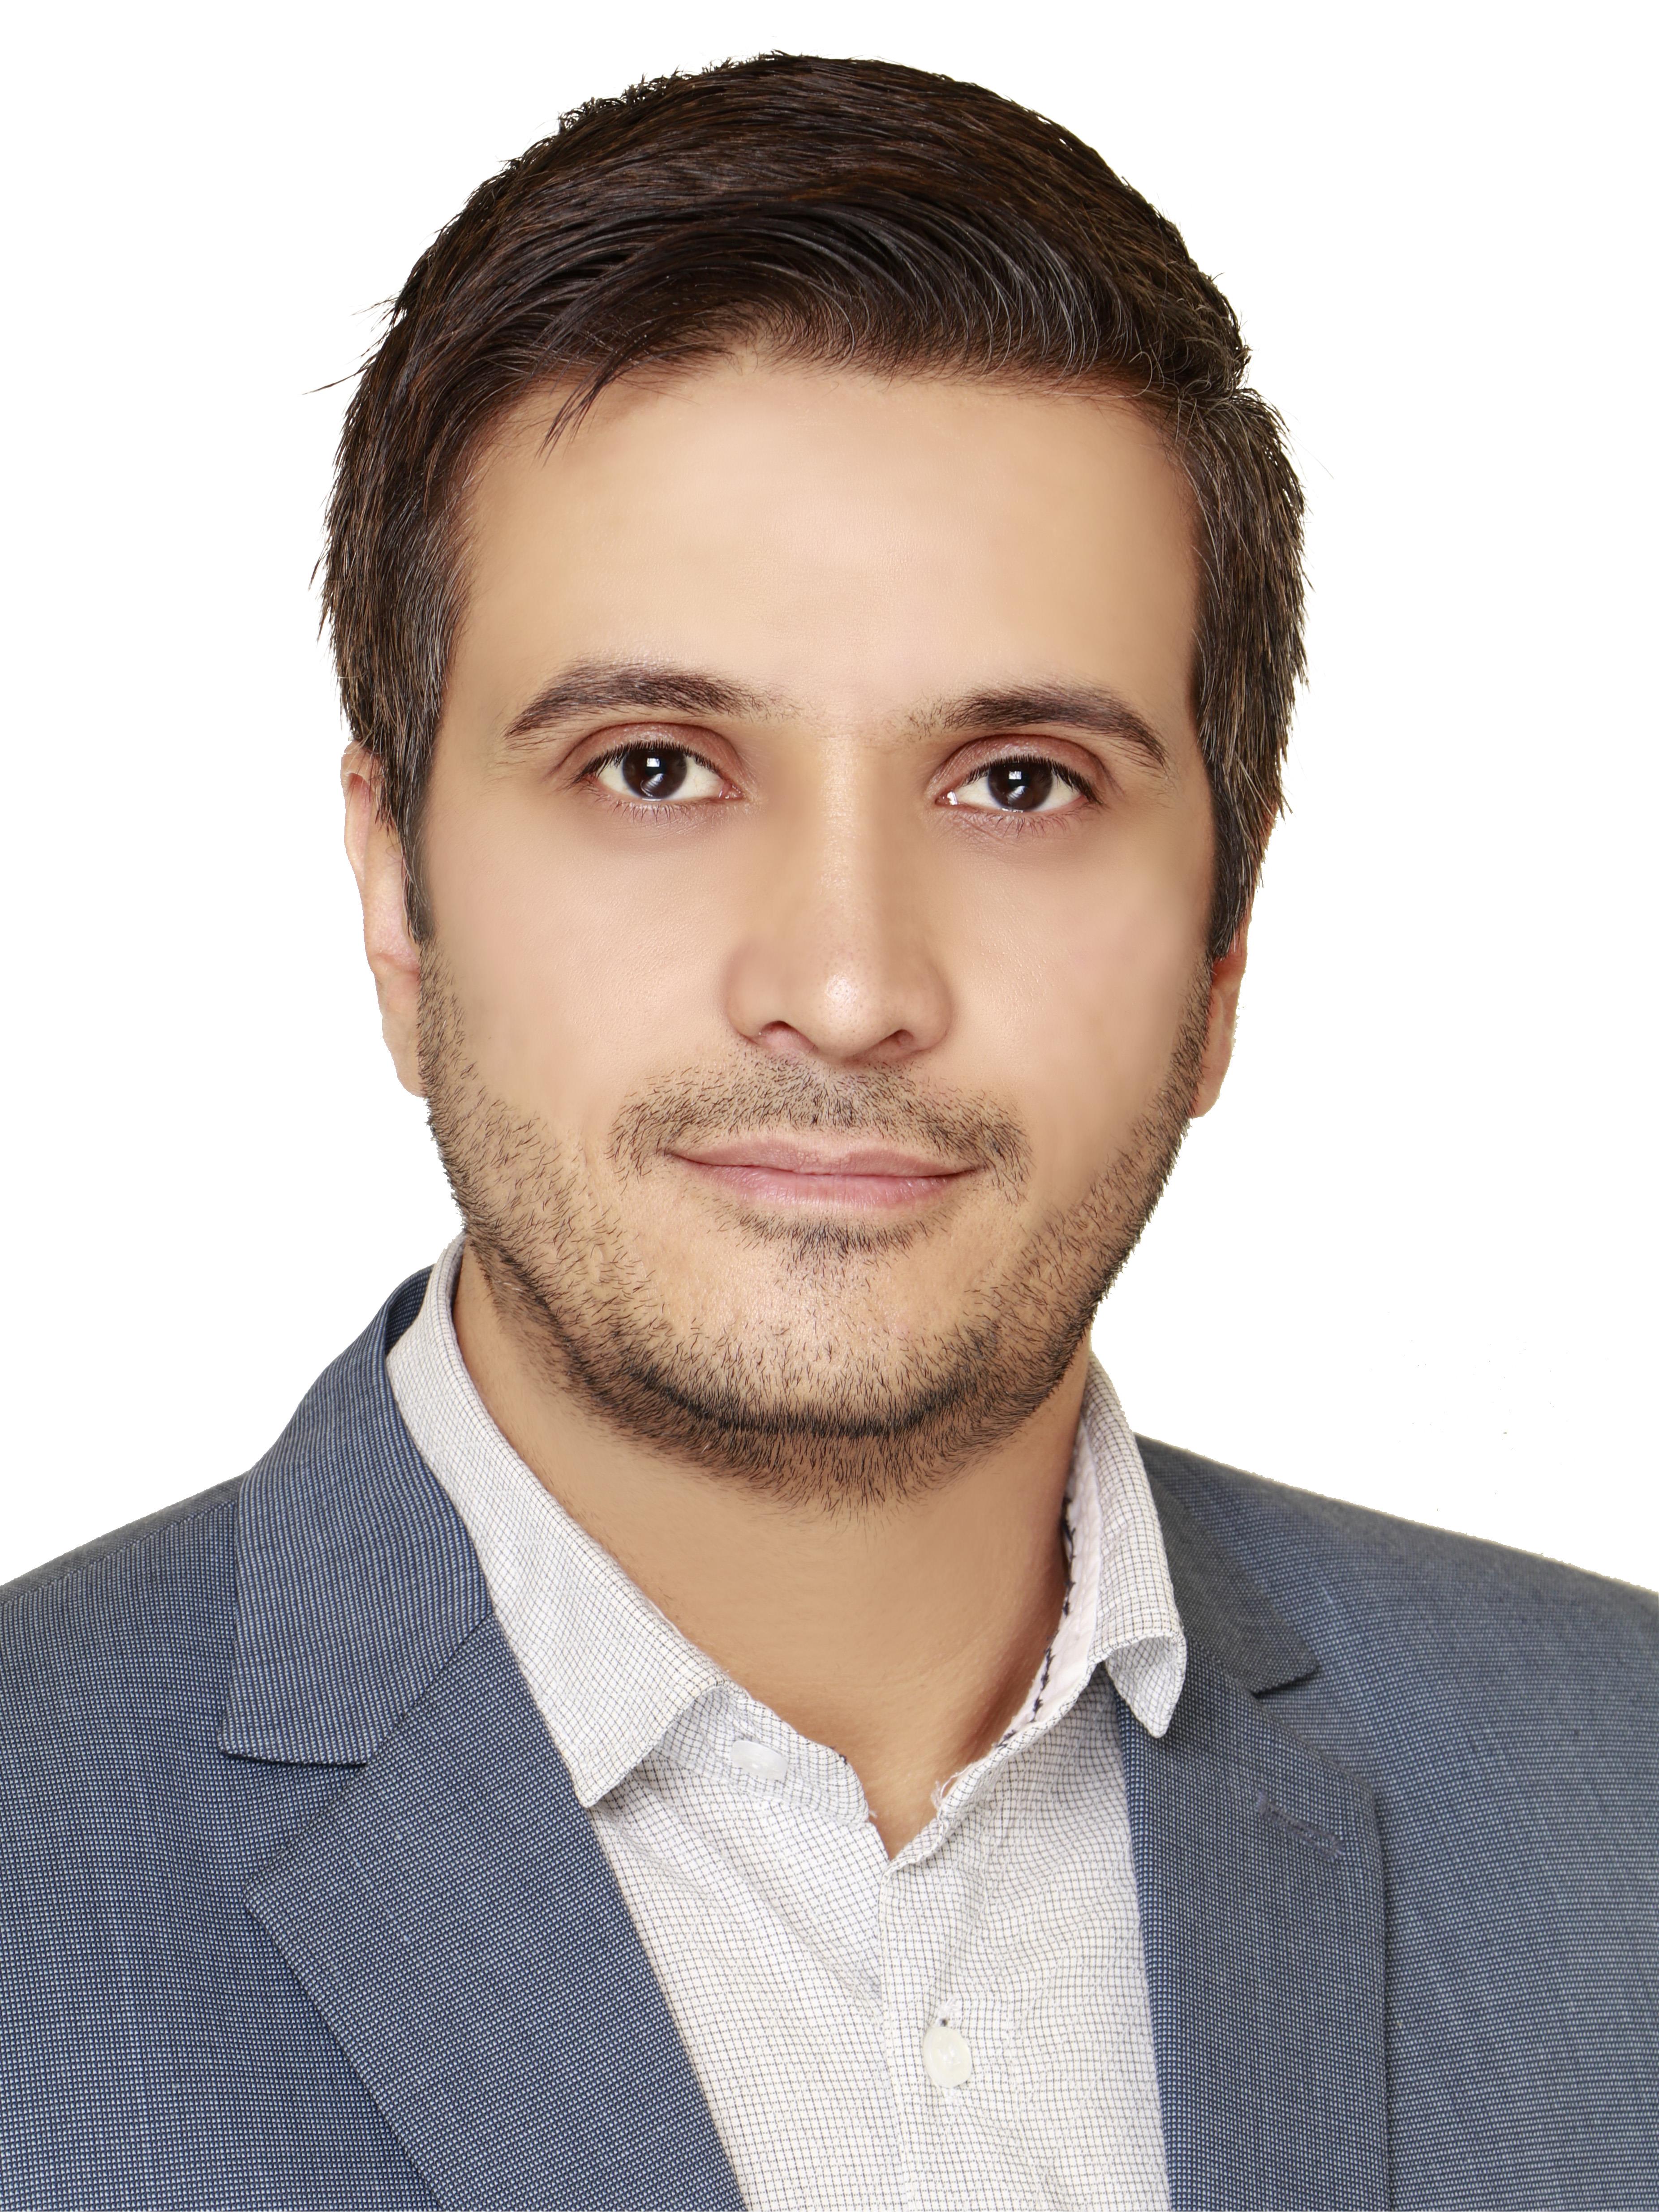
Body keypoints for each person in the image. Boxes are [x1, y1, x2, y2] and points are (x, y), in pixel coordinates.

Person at [0, 50, 1653, 2212]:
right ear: (396, 895)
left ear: (1227, 931)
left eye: (1019, 783)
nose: (850, 984)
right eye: (655, 767)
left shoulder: (1621, 1793)